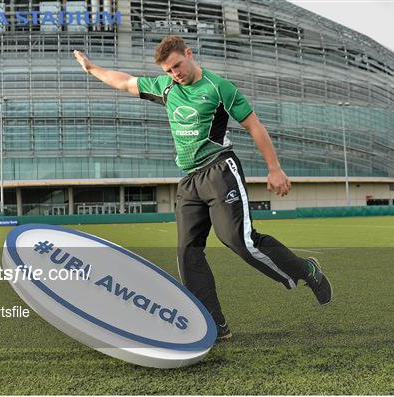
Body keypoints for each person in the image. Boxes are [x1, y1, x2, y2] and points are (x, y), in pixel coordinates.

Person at [74, 35, 332, 340]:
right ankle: (214, 324)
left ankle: (307, 271)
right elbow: (126, 82)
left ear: (189, 54)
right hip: (189, 180)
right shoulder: (166, 88)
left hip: (220, 169)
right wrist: (93, 69)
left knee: (239, 241)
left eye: (177, 66)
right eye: (168, 71)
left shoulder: (219, 88)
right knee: (187, 253)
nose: (175, 74)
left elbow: (254, 126)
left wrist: (274, 168)